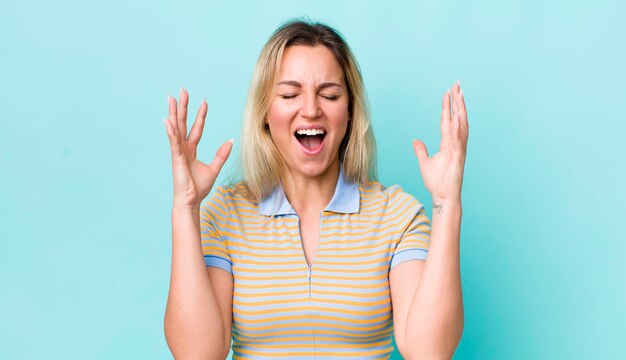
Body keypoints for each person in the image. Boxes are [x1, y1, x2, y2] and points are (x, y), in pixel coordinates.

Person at [163, 19, 468, 360]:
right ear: (265, 110)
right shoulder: (225, 215)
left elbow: (430, 351)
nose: (310, 110)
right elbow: (197, 354)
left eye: (330, 95)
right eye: (290, 94)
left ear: (350, 111)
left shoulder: (399, 216)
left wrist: (446, 201)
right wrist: (186, 206)